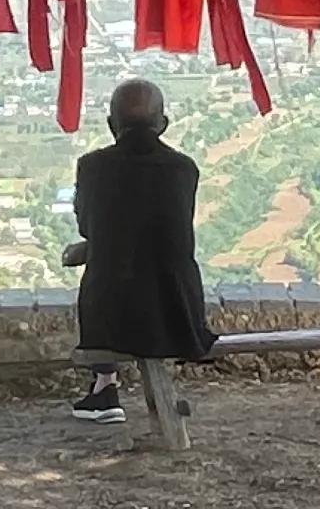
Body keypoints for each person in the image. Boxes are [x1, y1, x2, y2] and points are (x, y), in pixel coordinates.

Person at [60, 77, 216, 423]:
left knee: (106, 277)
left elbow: (89, 228)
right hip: (177, 315)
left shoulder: (93, 167)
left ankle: (105, 385)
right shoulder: (183, 168)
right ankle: (104, 390)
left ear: (112, 125)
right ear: (163, 124)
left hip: (113, 320)